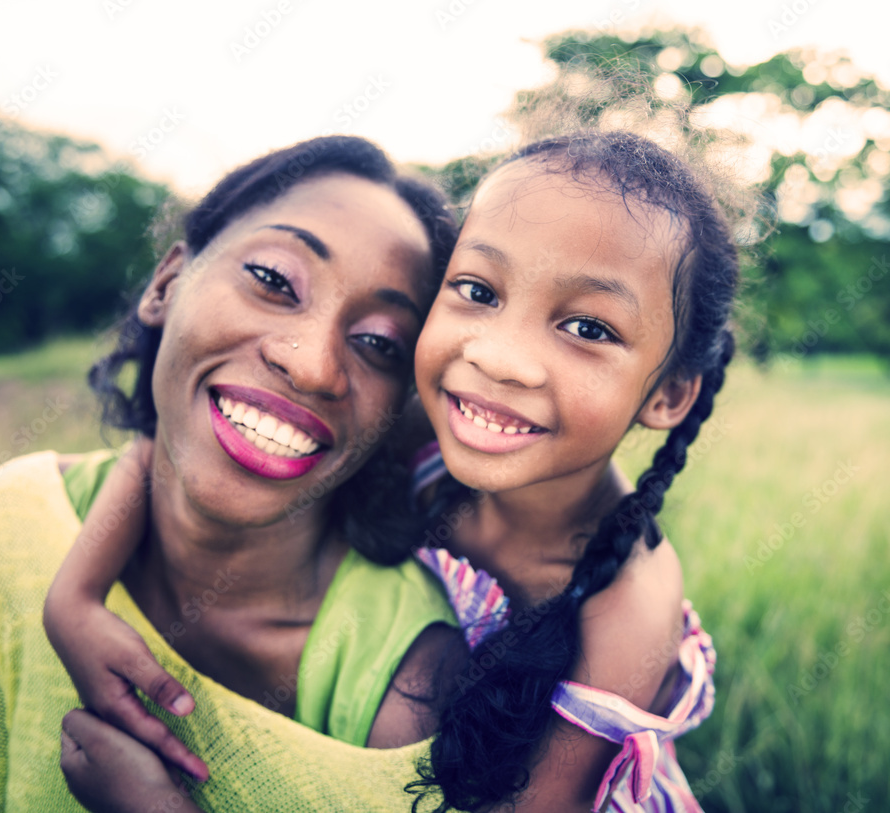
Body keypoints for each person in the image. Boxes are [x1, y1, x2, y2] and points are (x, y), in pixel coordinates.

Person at [50, 128, 739, 813]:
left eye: (588, 328)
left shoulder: (627, 604)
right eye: (478, 289)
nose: (499, 357)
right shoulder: (427, 432)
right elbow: (165, 445)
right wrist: (77, 594)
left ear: (668, 393)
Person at [0, 135, 466, 812]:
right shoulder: (16, 516)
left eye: (378, 343)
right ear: (166, 284)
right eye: (275, 281)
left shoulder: (407, 682)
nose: (311, 363)